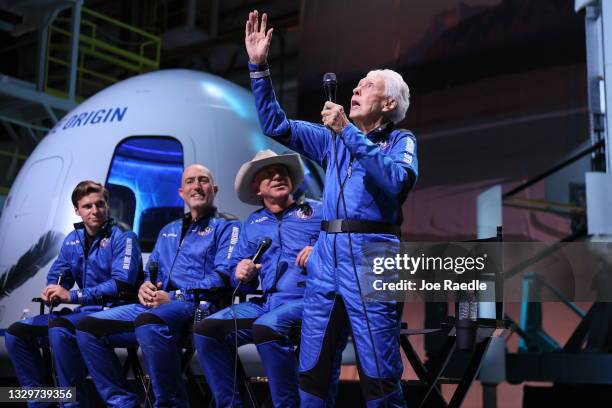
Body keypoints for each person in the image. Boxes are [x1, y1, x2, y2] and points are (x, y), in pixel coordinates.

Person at [244, 11, 419, 407]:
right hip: (327, 260)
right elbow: (276, 125)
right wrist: (259, 68)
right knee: (313, 372)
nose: (356, 89)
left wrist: (349, 132)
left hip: (373, 258)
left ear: (388, 102)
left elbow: (395, 182)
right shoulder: (331, 140)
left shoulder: (400, 140)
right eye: (356, 85)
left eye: (367, 86)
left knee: (378, 375)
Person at [75, 165, 240, 407]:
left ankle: (170, 403)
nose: (196, 186)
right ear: (181, 192)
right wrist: (145, 286)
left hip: (196, 306)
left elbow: (223, 277)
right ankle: (123, 404)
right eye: (190, 182)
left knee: (149, 323)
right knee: (87, 327)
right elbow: (150, 273)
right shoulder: (168, 230)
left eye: (203, 180)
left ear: (213, 189)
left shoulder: (228, 226)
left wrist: (173, 296)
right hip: (158, 308)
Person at [193, 150, 322, 407]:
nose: (277, 177)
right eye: (268, 175)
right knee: (206, 331)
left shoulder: (318, 210)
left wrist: (321, 251)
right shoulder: (252, 222)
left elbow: (348, 249)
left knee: (268, 327)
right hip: (267, 304)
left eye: (282, 172)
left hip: (310, 301)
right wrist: (241, 272)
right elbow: (236, 275)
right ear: (257, 188)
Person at [4, 180, 141, 408]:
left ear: (107, 206)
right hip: (82, 315)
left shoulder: (124, 237)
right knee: (16, 333)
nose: (95, 211)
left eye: (100, 204)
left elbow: (121, 284)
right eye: (87, 206)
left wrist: (74, 296)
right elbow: (56, 277)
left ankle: (73, 403)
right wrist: (53, 290)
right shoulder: (72, 240)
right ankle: (39, 402)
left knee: (61, 329)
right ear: (77, 210)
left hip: (116, 314)